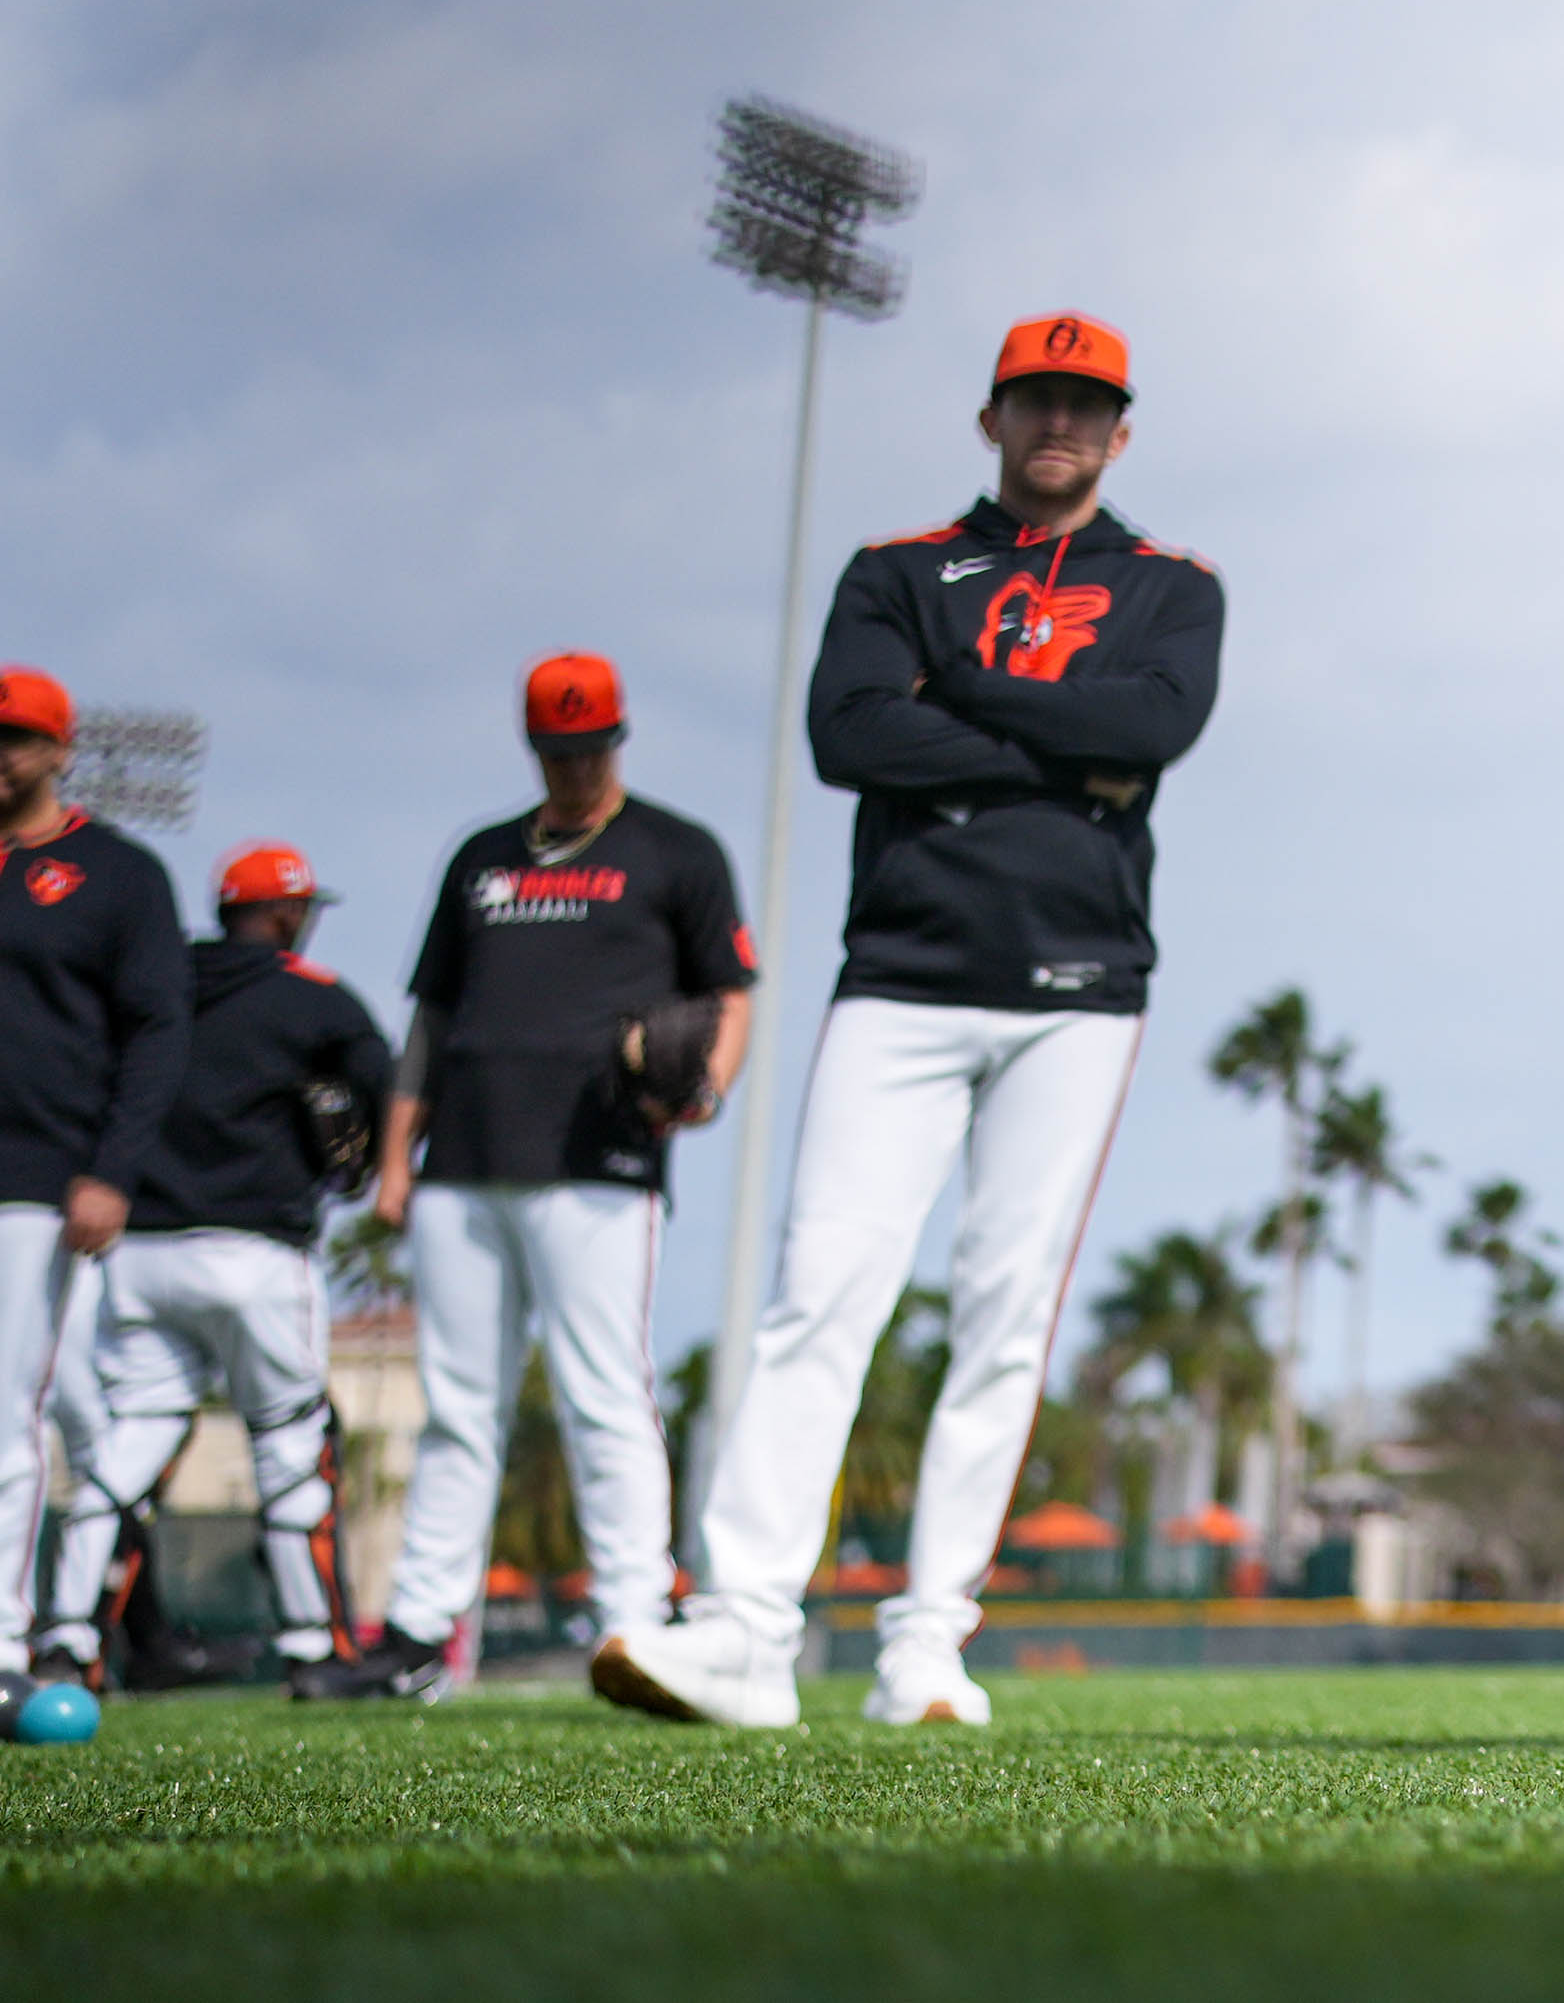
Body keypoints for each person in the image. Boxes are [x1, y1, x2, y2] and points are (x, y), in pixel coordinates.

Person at [599, 312, 1223, 1735]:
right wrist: (1067, 743)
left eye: (1087, 402)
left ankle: (925, 1649)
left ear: (1120, 431)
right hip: (899, 974)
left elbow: (1155, 733)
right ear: (990, 417)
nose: (1059, 421)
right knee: (819, 1295)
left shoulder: (1176, 587)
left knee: (1005, 1317)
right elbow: (846, 738)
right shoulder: (894, 570)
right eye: (1034, 398)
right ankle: (743, 1635)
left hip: (1078, 990)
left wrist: (965, 697)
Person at [302, 656, 751, 1701]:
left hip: (599, 1160)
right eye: (559, 748)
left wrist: (707, 1092)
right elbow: (433, 1019)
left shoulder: (674, 852)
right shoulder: (482, 860)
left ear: (619, 738)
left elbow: (730, 992)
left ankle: (635, 1620)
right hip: (465, 1160)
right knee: (460, 1406)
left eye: (592, 745)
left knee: (606, 1392)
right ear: (535, 746)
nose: (577, 764)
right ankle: (418, 1636)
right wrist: (399, 1163)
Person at [48, 844, 389, 1687]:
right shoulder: (314, 997)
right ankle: (315, 1648)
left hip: (141, 1253)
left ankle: (65, 1636)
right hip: (256, 1253)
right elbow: (378, 1082)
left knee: (132, 1441)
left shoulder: (161, 990)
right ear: (283, 916)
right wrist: (356, 1160)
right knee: (288, 1439)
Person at [0, 668, 193, 1692]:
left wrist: (112, 1169)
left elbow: (160, 1028)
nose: (2, 753)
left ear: (61, 749)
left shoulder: (117, 874)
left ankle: (2, 1642)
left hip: (37, 1177)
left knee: (3, 1415)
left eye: (19, 738)